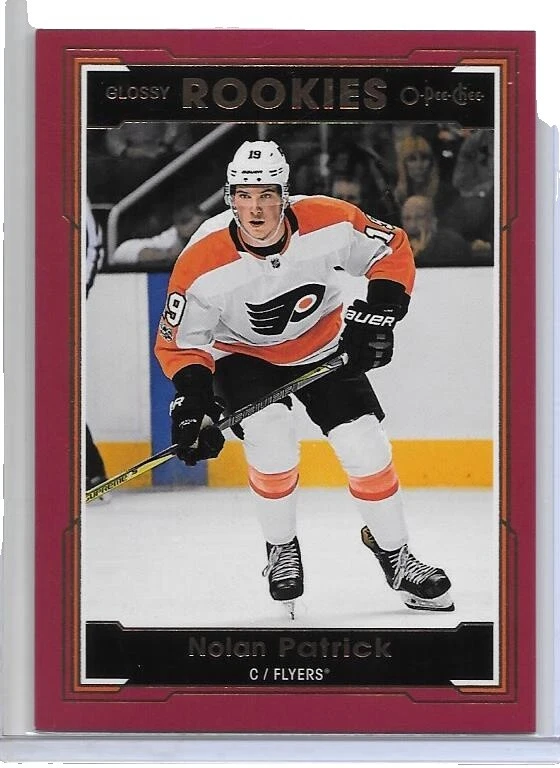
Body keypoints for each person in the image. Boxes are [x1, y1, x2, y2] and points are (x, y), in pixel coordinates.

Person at [154, 140, 454, 616]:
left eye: (266, 195)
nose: (255, 209)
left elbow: (391, 247)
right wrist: (194, 401)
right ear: (230, 198)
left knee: (365, 443)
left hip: (323, 346)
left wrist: (381, 313)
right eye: (244, 196)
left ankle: (396, 554)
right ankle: (280, 548)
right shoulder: (201, 259)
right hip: (243, 357)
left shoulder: (327, 219)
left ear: (285, 195)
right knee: (270, 435)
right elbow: (181, 342)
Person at [84, 199, 108, 492]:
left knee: (55, 390)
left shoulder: (72, 189)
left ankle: (90, 470)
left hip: (52, 311)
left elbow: (93, 244)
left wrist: (76, 293)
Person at [110, 203, 207, 268]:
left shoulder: (210, 235)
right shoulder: (168, 241)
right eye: (197, 225)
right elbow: (120, 253)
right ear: (178, 226)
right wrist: (168, 255)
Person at [401, 195, 472, 267]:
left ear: (432, 219)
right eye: (407, 218)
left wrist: (423, 252)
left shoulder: (452, 244)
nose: (412, 225)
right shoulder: (397, 247)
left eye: (419, 217)